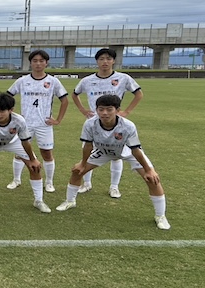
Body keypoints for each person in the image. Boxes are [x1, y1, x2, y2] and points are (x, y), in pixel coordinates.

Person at [55, 95, 170, 230]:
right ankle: (70, 201)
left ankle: (160, 216)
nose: (104, 113)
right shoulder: (90, 124)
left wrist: (149, 170)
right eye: (101, 109)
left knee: (152, 179)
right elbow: (88, 145)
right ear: (97, 110)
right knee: (77, 172)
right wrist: (83, 164)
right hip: (103, 151)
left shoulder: (128, 126)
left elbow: (136, 150)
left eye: (109, 109)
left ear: (117, 110)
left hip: (127, 151)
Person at [72, 47, 143, 198]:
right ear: (97, 61)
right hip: (93, 123)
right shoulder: (87, 80)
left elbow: (138, 94)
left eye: (108, 59)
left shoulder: (123, 78)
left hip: (115, 123)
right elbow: (75, 94)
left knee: (116, 154)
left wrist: (126, 112)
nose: (105, 62)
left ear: (113, 61)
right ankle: (87, 183)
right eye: (101, 59)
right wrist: (83, 110)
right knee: (87, 151)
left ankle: (114, 187)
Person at [6, 50, 68, 193]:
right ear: (30, 63)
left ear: (46, 63)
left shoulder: (53, 81)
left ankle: (49, 182)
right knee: (20, 152)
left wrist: (58, 119)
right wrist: (12, 115)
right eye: (35, 61)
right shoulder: (22, 81)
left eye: (41, 61)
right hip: (24, 124)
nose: (38, 63)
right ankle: (16, 180)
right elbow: (8, 96)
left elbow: (64, 100)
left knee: (46, 153)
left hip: (44, 124)